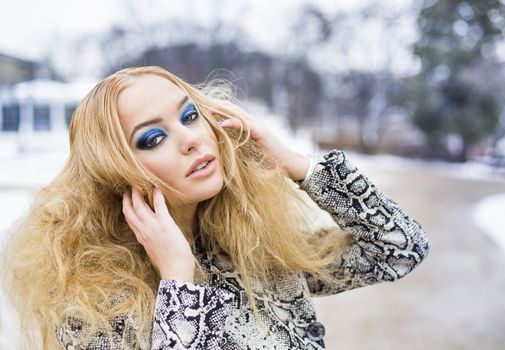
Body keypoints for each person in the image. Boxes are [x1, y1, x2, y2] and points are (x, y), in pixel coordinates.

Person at [1, 66, 430, 350]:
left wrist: (299, 167)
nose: (191, 139)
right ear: (115, 174)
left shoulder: (252, 247)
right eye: (153, 138)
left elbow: (398, 250)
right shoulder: (92, 306)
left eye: (189, 116)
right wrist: (177, 284)